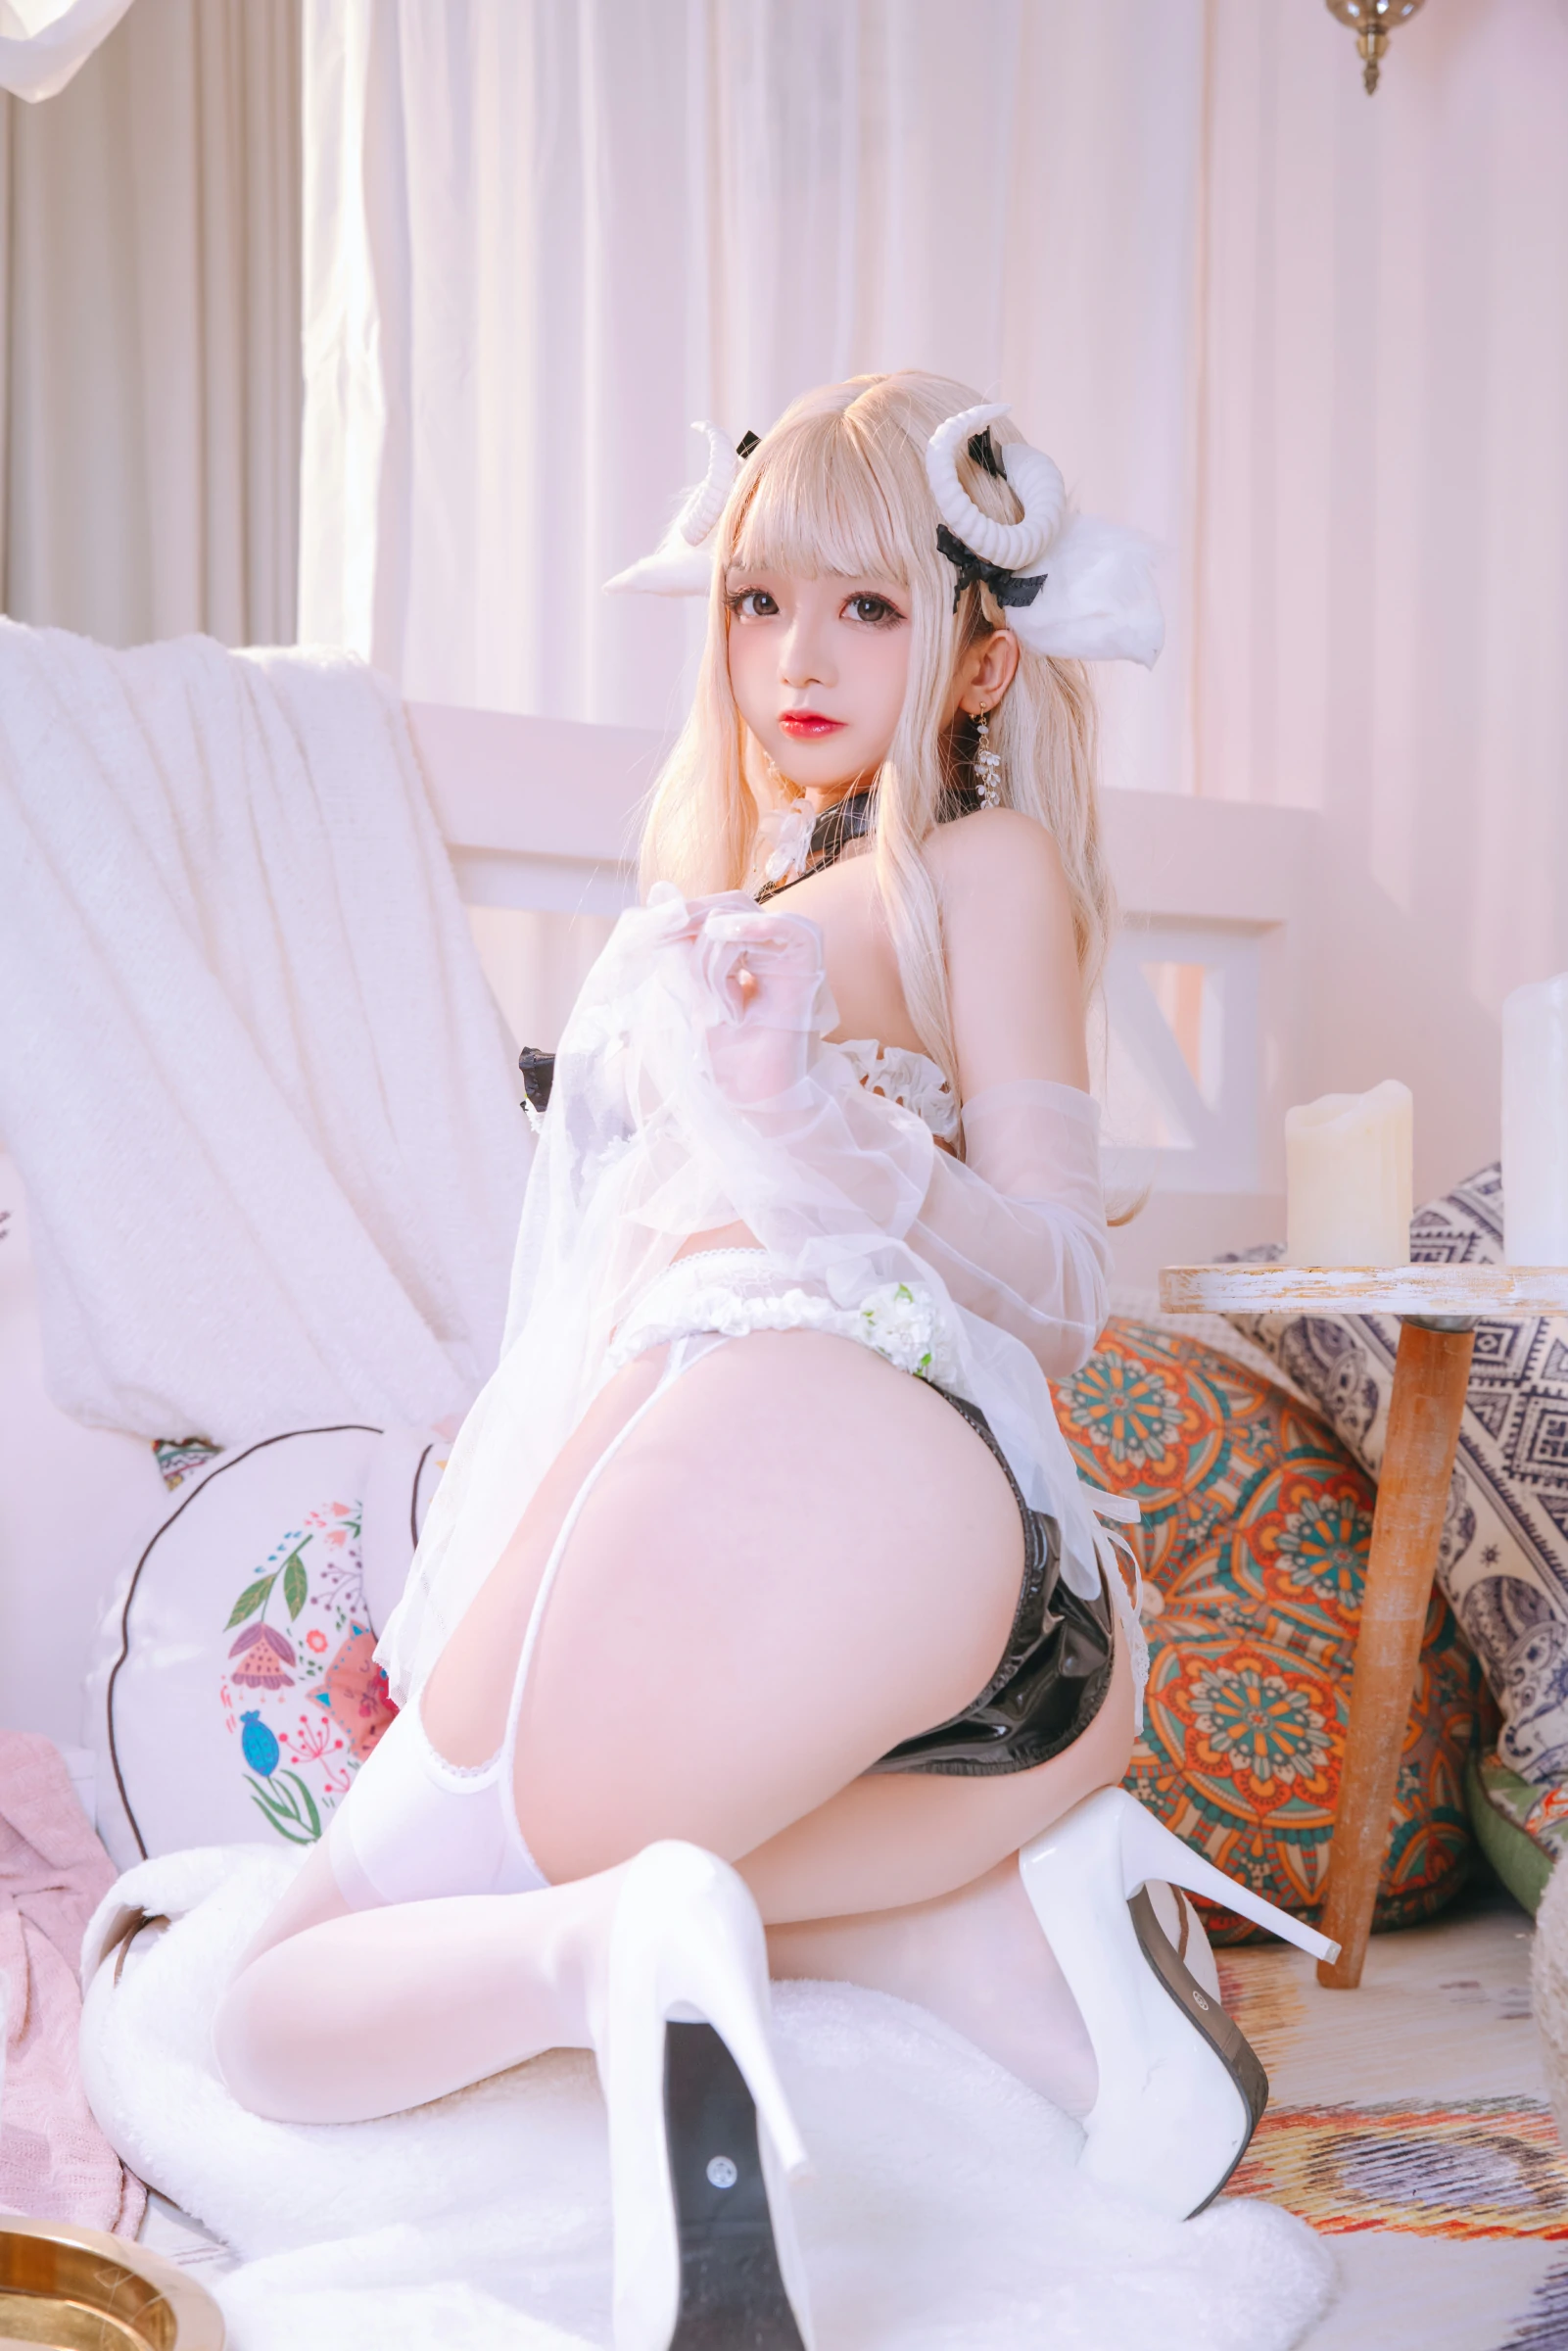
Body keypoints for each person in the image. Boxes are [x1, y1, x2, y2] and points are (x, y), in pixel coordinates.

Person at [212, 372, 1332, 2351]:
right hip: (690, 1470)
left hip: (821, 1434)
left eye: (868, 607)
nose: (798, 659)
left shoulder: (974, 869)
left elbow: (1064, 1283)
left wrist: (827, 1124)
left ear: (981, 658)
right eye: (758, 602)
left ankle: (656, 1944)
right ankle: (951, 1932)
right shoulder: (741, 896)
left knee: (316, 1983)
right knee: (315, 1983)